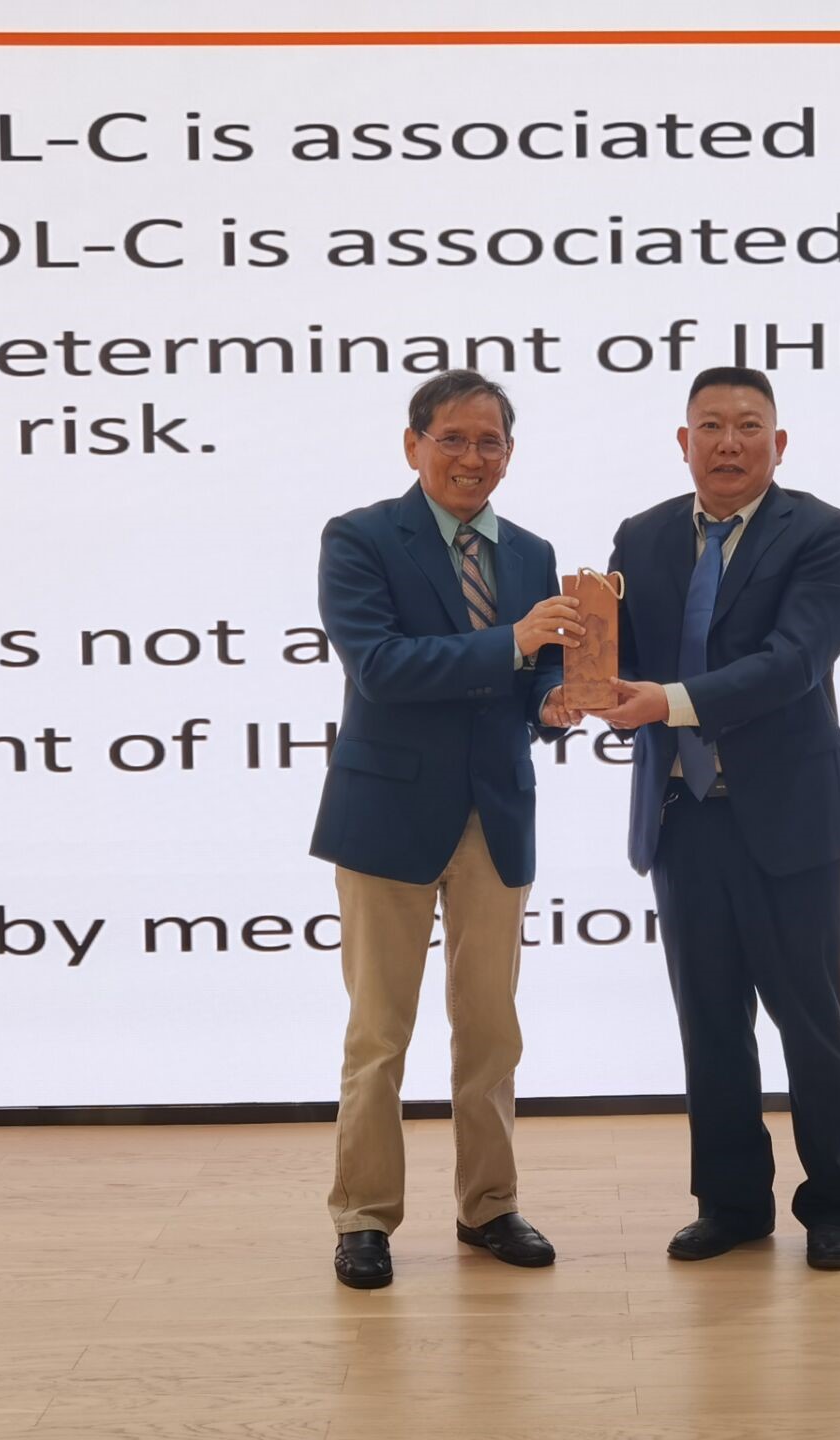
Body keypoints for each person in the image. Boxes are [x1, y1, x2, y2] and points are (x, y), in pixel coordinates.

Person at [587, 366, 840, 1270]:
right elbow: (613, 660)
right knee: (709, 1025)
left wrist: (667, 701)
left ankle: (834, 1207)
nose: (728, 442)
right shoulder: (642, 535)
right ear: (684, 443)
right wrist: (568, 683)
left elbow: (795, 662)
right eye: (709, 425)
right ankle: (732, 1204)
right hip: (682, 815)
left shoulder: (820, 532)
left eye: (748, 425)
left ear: (777, 444)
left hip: (790, 821)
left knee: (810, 1024)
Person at [310, 369, 583, 1289]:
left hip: (495, 811)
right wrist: (515, 643)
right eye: (454, 439)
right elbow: (382, 667)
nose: (473, 458)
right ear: (413, 444)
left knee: (492, 1030)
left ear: (510, 453)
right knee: (379, 1033)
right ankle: (364, 1217)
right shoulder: (359, 537)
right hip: (387, 813)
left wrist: (555, 703)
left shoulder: (533, 553)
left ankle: (490, 1206)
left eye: (490, 442)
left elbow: (539, 675)